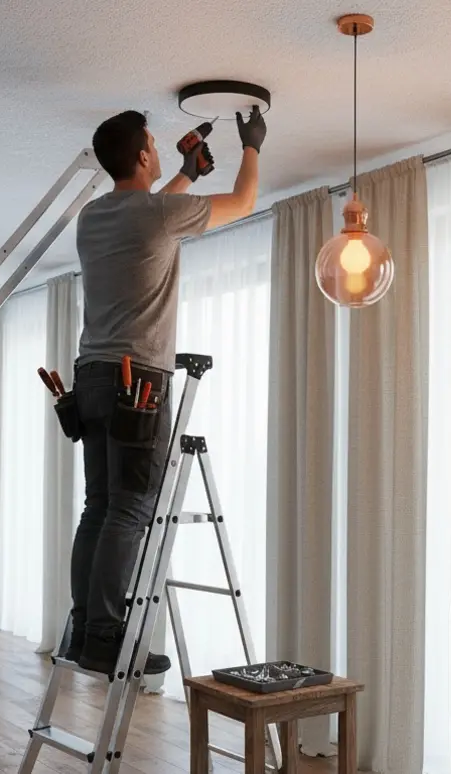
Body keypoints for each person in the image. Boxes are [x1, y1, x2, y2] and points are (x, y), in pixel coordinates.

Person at [67, 107, 266, 674]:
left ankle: (84, 632)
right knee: (130, 510)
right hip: (139, 383)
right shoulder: (157, 213)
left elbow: (148, 215)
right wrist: (252, 146)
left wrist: (185, 175)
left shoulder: (92, 217)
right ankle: (107, 637)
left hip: (92, 378)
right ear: (143, 155)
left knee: (99, 507)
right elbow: (245, 201)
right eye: (152, 144)